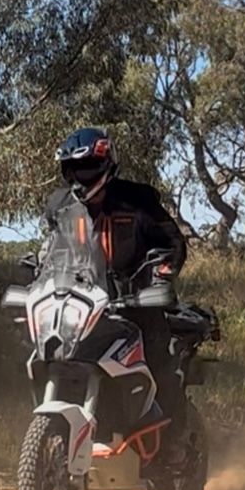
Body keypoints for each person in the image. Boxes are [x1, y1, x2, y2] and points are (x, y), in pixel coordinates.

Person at [45, 127, 188, 450]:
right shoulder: (60, 206)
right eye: (73, 169)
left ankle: (174, 442)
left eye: (88, 167)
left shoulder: (139, 200)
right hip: (84, 306)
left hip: (137, 305)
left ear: (107, 164)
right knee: (55, 354)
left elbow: (172, 244)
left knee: (158, 364)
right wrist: (36, 278)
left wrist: (160, 278)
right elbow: (51, 253)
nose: (81, 176)